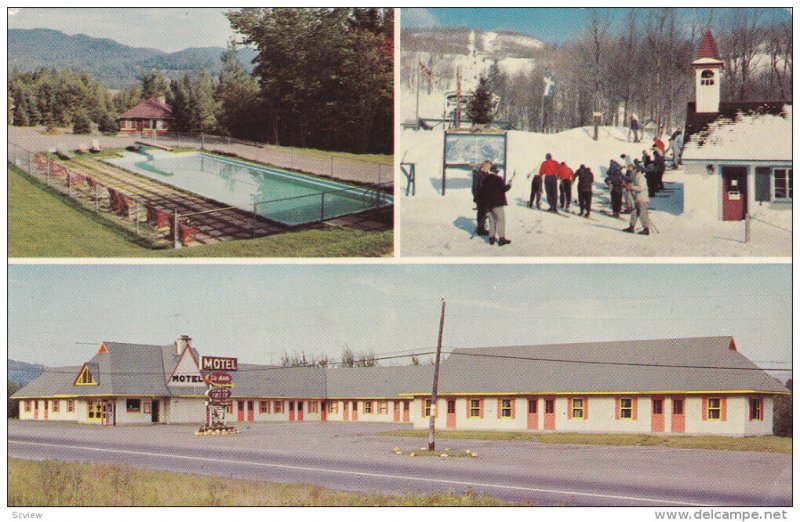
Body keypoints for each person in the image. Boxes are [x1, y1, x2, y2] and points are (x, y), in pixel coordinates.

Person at [478, 164, 512, 246]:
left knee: (492, 220)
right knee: (500, 220)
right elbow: (504, 189)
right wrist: (509, 185)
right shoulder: (498, 179)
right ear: (496, 171)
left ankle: (492, 238)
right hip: (497, 203)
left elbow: (482, 192)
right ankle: (501, 238)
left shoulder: (485, 179)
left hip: (488, 204)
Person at [623, 164, 650, 235]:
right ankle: (631, 227)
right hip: (637, 199)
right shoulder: (636, 177)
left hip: (642, 199)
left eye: (634, 169)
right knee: (634, 213)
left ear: (637, 170)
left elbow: (641, 188)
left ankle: (646, 229)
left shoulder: (641, 178)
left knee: (642, 214)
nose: (632, 170)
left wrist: (631, 187)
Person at [471, 160, 490, 236]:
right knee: (481, 213)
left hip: (486, 196)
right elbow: (474, 187)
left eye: (489, 167)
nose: (488, 168)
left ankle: (482, 228)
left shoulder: (486, 174)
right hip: (480, 197)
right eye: (488, 167)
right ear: (484, 166)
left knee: (484, 213)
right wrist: (476, 196)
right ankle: (480, 230)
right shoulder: (477, 174)